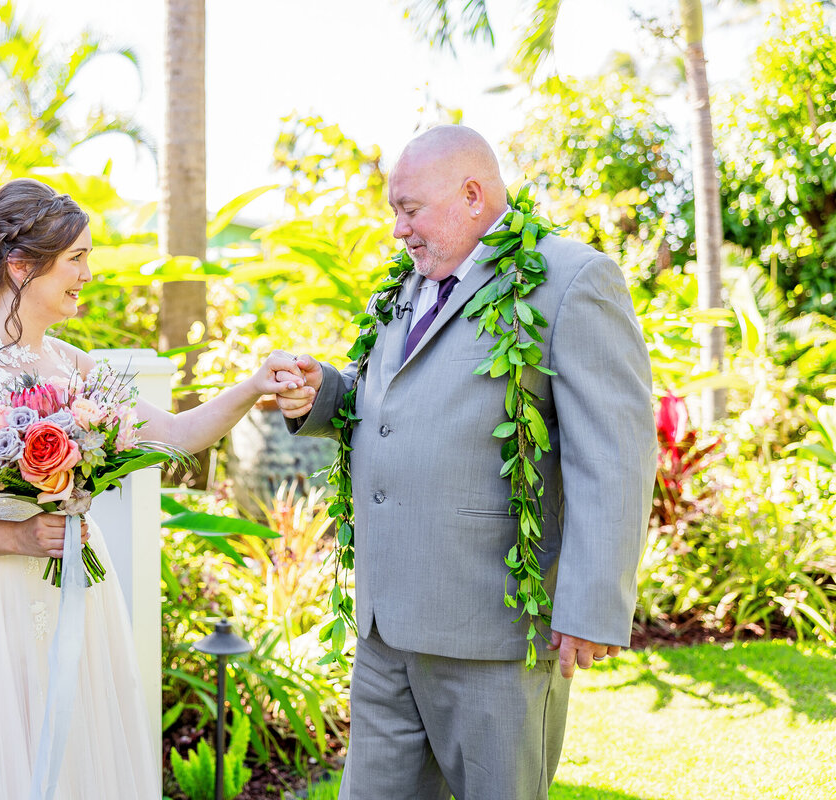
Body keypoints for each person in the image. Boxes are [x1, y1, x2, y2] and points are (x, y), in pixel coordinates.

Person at [274, 126, 657, 800]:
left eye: (409, 209)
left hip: (493, 632)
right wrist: (324, 392)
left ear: (473, 195)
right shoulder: (402, 288)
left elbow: (616, 452)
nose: (398, 230)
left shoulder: (570, 280)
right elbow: (388, 409)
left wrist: (593, 605)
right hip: (387, 627)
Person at [0, 178, 301, 799]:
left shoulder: (71, 364)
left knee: (79, 756)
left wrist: (251, 386)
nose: (88, 272)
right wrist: (20, 535)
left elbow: (178, 434)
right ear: (22, 265)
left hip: (75, 585)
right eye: (76, 258)